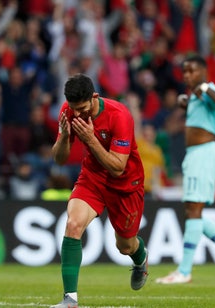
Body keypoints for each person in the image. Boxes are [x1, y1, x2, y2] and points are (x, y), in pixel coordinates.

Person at [50, 74, 148, 308]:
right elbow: (59, 160)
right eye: (75, 109)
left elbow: (118, 167)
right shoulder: (69, 111)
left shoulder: (119, 115)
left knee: (125, 246)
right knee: (73, 224)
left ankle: (140, 257)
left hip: (125, 184)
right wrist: (64, 137)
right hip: (92, 178)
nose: (79, 114)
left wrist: (91, 140)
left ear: (94, 97)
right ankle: (70, 300)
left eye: (83, 109)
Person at [155, 55, 215, 284]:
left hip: (204, 153)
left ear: (203, 72)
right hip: (195, 155)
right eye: (185, 72)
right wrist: (187, 103)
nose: (187, 76)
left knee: (194, 210)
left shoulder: (210, 89)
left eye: (191, 71)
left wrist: (206, 88)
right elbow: (204, 115)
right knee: (192, 212)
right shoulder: (196, 96)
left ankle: (184, 271)